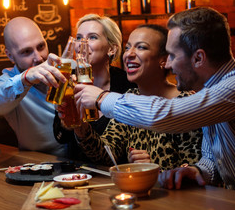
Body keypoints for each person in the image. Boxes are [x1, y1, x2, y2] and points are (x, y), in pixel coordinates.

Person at [74, 7, 235, 210]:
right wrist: (198, 171)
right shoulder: (210, 94)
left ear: (198, 58)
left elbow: (169, 114)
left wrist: (102, 98)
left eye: (172, 55)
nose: (169, 65)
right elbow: (213, 158)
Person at [70, 24, 202, 170]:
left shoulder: (186, 103)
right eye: (127, 48)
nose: (129, 54)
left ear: (164, 60)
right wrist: (80, 126)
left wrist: (155, 167)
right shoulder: (130, 97)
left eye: (141, 47)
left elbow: (194, 169)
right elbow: (107, 154)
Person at [53, 14, 136, 159]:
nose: (82, 43)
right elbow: (60, 138)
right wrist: (67, 123)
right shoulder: (68, 80)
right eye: (79, 38)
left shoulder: (128, 85)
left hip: (117, 172)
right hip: (76, 174)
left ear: (111, 49)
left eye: (92, 37)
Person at [0, 17, 68, 157]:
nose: (38, 58)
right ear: (10, 56)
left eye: (41, 46)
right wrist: (26, 79)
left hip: (83, 163)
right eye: (26, 52)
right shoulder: (8, 81)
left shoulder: (63, 70)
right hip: (38, 166)